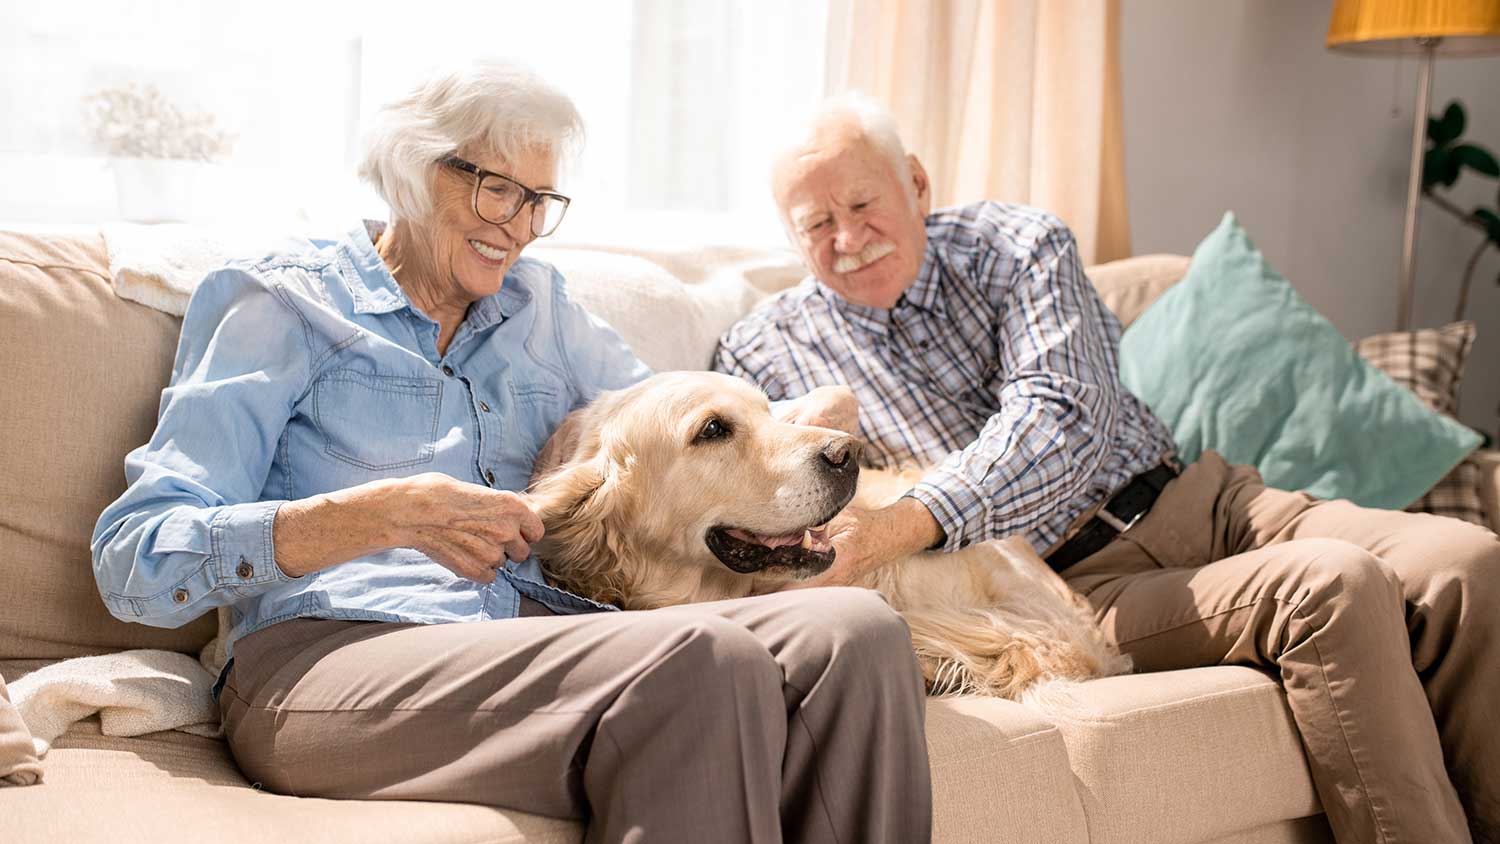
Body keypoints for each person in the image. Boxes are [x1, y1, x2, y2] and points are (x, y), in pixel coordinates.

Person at [92, 62, 931, 843]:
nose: (520, 228)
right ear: (413, 174)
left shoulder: (541, 309)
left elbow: (677, 427)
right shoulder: (280, 305)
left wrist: (799, 427)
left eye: (540, 200)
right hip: (327, 659)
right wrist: (375, 516)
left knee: (855, 633)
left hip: (537, 636)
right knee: (703, 661)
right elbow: (136, 559)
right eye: (499, 191)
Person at [714, 93, 1500, 844]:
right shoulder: (764, 352)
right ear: (790, 236)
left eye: (860, 205)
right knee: (1333, 585)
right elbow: (763, 496)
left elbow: (1062, 416)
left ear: (916, 183)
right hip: (1074, 584)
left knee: (1466, 561)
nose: (846, 239)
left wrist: (903, 522)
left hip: (1212, 499)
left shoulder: (1017, 245)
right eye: (815, 223)